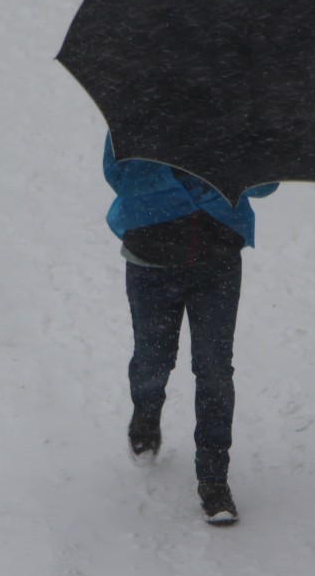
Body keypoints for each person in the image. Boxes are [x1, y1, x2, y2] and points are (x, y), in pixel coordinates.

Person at [102, 132, 278, 525]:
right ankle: (146, 414)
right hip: (151, 256)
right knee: (153, 356)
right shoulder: (142, 105)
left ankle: (214, 480)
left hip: (218, 260)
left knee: (215, 368)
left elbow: (267, 185)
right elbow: (116, 174)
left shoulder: (236, 113)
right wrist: (176, 180)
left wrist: (223, 169)